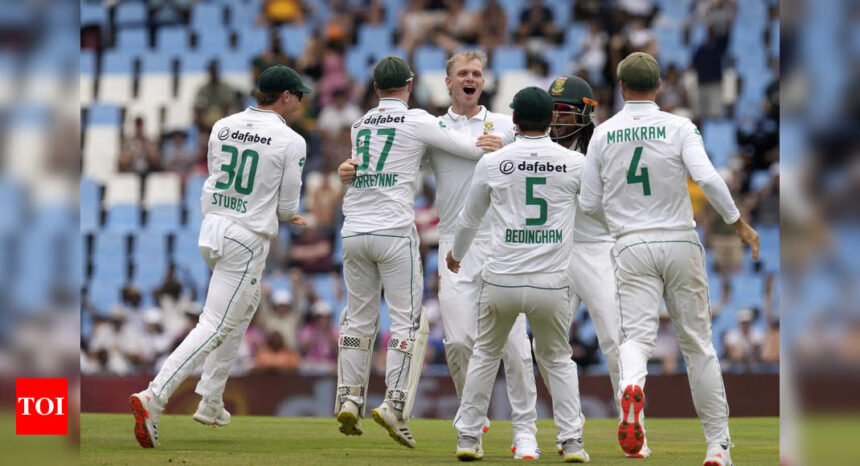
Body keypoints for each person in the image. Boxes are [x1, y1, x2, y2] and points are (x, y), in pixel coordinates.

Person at [578, 52, 760, 466]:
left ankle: (631, 391)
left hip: (630, 244)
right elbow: (709, 179)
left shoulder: (603, 134)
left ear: (621, 87)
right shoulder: (679, 127)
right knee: (698, 347)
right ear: (659, 86)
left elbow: (588, 203)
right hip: (679, 239)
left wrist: (623, 219)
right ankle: (717, 447)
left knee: (636, 341)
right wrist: (737, 223)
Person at [129, 65, 312, 448]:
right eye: (298, 96)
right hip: (247, 238)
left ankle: (211, 400)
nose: (300, 102)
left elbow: (216, 176)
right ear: (285, 97)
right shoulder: (291, 140)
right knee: (213, 324)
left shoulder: (223, 125)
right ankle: (154, 397)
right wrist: (291, 215)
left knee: (244, 308)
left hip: (213, 229)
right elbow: (285, 207)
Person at [334, 56, 499, 447]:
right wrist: (500, 145)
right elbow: (467, 148)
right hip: (393, 231)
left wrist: (345, 170)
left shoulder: (360, 125)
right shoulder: (418, 119)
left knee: (358, 318)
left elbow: (359, 168)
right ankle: (394, 403)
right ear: (409, 86)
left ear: (375, 88)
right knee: (409, 321)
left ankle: (349, 396)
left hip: (353, 230)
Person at [445, 87, 590, 463]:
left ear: (513, 121)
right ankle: (571, 440)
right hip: (551, 281)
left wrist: (456, 254)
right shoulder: (575, 163)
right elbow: (594, 210)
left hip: (502, 279)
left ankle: (468, 437)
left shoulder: (494, 162)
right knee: (558, 359)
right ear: (550, 122)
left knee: (485, 356)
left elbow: (470, 218)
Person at [424, 50, 539, 458]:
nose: (470, 79)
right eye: (462, 74)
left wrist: (506, 148)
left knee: (516, 346)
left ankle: (525, 431)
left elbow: (539, 167)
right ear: (449, 82)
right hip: (455, 242)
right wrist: (353, 170)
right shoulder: (434, 128)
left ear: (483, 82)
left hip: (503, 242)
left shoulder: (507, 127)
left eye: (476, 73)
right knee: (457, 341)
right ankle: (473, 413)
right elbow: (401, 166)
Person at [547, 74, 632, 456]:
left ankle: (631, 422)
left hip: (597, 249)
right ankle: (570, 421)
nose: (557, 118)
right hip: (556, 252)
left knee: (615, 339)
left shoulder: (602, 145)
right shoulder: (537, 145)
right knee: (546, 345)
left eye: (564, 110)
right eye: (552, 110)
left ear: (585, 111)